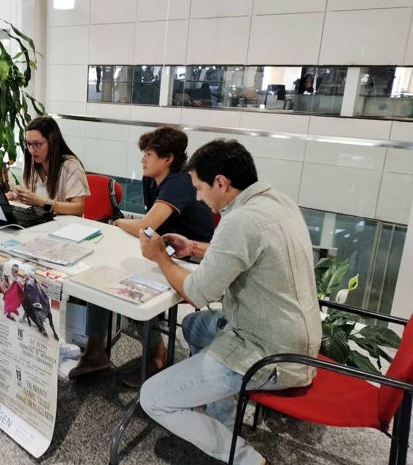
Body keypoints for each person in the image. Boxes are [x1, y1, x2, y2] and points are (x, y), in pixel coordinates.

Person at [137, 139, 322, 465]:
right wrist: (192, 249)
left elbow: (196, 292)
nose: (197, 196)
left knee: (153, 398)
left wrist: (159, 258)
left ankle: (247, 459)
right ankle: (220, 419)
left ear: (221, 182)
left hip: (268, 353)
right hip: (293, 337)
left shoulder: (239, 222)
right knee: (195, 326)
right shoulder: (276, 201)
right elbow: (239, 253)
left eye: (199, 188)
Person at [69, 126, 215, 386]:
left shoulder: (179, 182)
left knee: (128, 284)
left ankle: (156, 355)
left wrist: (116, 222)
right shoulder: (151, 180)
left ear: (168, 158)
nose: (142, 159)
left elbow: (144, 227)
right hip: (167, 250)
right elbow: (150, 229)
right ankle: (95, 351)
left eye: (148, 154)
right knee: (100, 274)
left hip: (193, 257)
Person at [8, 116, 90, 216]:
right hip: (42, 222)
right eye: (28, 144)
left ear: (52, 142)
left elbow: (78, 208)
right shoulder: (32, 163)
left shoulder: (70, 165)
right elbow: (31, 198)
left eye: (37, 144)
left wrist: (40, 202)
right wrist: (17, 196)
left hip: (66, 227)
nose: (31, 150)